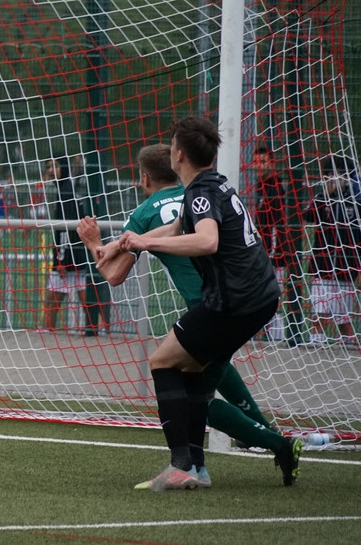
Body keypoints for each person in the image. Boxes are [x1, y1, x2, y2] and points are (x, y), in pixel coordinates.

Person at [77, 143, 303, 488]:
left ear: (145, 178)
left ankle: (271, 445)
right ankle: (218, 459)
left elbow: (114, 275)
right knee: (201, 377)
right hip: (242, 296)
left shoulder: (145, 212)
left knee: (189, 390)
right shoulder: (198, 193)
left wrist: (93, 243)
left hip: (214, 306)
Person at [115, 116, 281, 491]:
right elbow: (175, 229)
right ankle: (199, 467)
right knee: (192, 374)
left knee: (163, 362)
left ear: (178, 154)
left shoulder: (200, 193)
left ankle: (184, 465)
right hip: (257, 296)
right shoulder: (212, 184)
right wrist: (119, 243)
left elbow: (207, 241)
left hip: (233, 302)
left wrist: (145, 242)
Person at [304, 155, 361, 346]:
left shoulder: (355, 201)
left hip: (346, 266)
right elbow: (308, 216)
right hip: (323, 264)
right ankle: (316, 340)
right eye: (331, 174)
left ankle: (347, 342)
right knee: (320, 310)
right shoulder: (322, 198)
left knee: (344, 315)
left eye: (341, 175)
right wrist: (325, 195)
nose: (336, 178)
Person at [251, 146, 299, 342]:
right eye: (255, 162)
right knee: (259, 294)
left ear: (272, 164)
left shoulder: (276, 188)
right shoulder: (257, 187)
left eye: (263, 162)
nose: (258, 166)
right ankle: (264, 334)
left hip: (273, 253)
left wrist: (274, 251)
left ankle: (276, 337)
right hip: (260, 250)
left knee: (272, 295)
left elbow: (278, 225)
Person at [40, 156, 91, 334]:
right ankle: (98, 329)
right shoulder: (67, 188)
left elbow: (66, 229)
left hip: (70, 255)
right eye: (48, 166)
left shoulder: (66, 191)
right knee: (79, 296)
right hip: (76, 253)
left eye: (55, 166)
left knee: (57, 297)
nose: (50, 170)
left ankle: (47, 331)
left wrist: (61, 260)